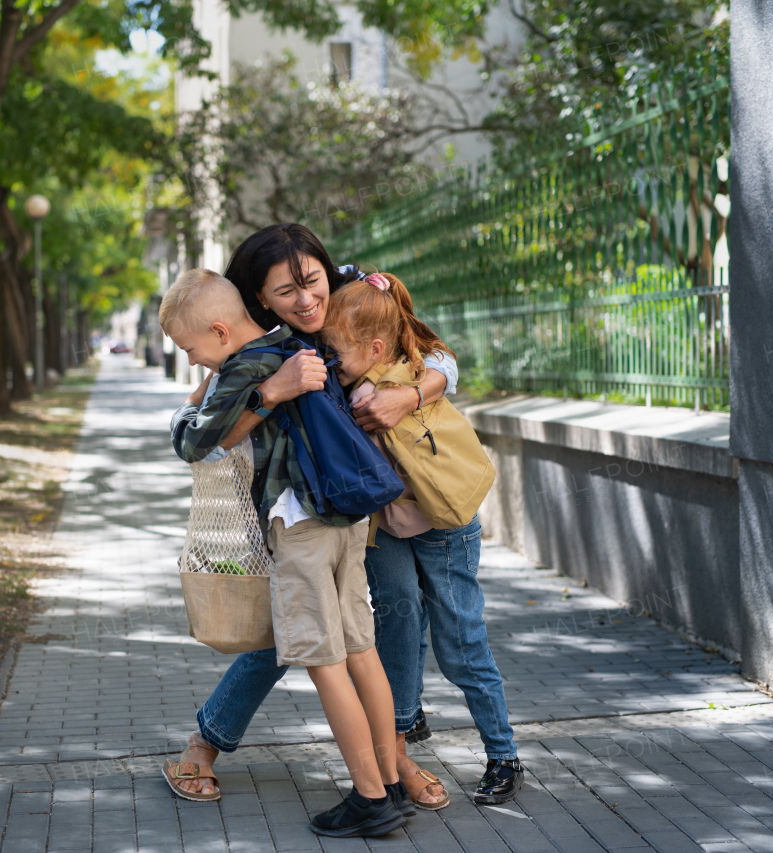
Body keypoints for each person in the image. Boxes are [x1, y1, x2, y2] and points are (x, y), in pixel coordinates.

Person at [165, 225, 459, 814]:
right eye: (285, 291)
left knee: (326, 657)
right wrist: (270, 393)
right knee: (356, 648)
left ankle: (374, 793)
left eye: (311, 281)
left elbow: (194, 442)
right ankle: (389, 774)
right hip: (355, 511)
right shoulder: (281, 350)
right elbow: (192, 420)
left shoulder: (340, 309)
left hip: (311, 521)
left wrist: (412, 392)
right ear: (258, 300)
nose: (305, 299)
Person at [321, 271, 525, 806]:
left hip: (445, 527)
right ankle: (405, 725)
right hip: (385, 530)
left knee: (461, 646)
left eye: (334, 350)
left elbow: (440, 357)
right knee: (396, 622)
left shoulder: (402, 376)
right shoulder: (349, 379)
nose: (327, 359)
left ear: (374, 347)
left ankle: (503, 754)